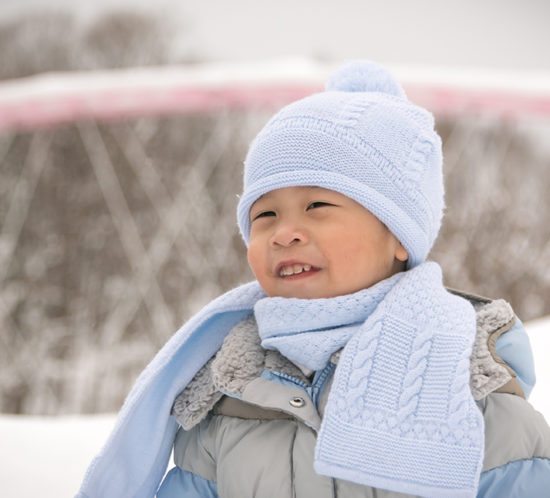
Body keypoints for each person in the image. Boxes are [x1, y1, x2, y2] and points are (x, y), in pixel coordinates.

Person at [76, 61, 550, 498]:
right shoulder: (227, 397)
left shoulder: (470, 394)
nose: (284, 233)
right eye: (264, 215)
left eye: (317, 206)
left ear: (398, 234)